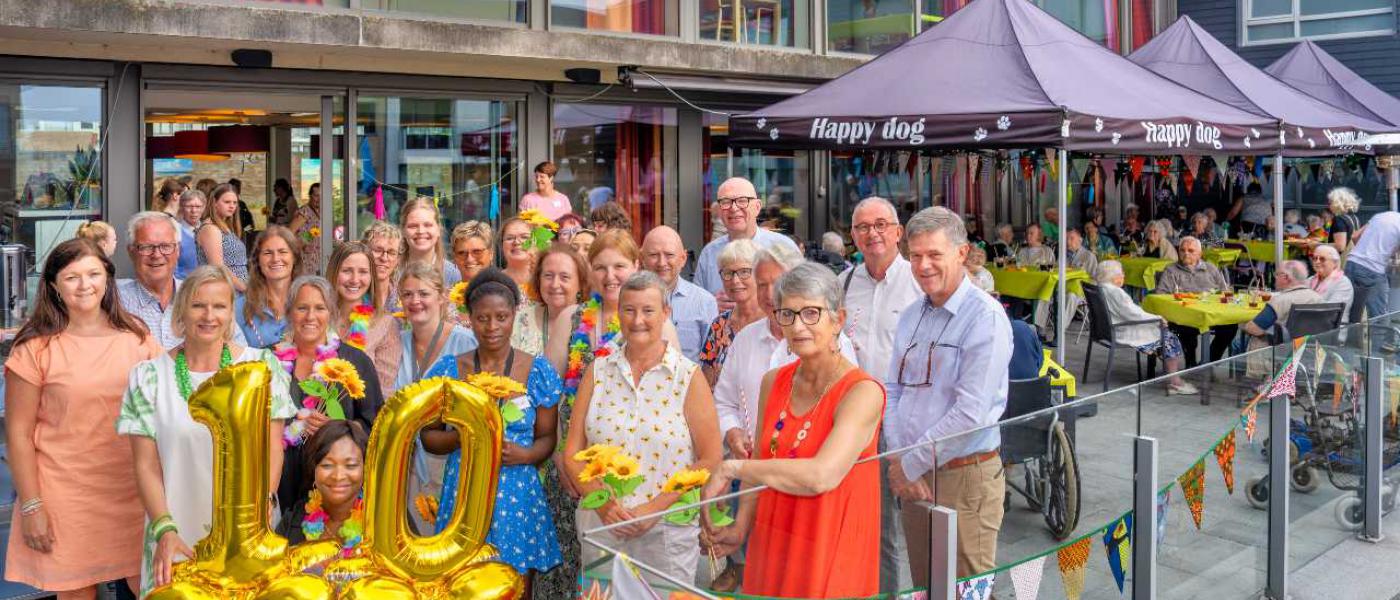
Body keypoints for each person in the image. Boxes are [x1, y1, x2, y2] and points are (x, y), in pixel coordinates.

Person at [700, 263, 884, 598]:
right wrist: (741, 528)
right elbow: (761, 460)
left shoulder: (862, 392)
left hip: (829, 544)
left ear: (838, 319)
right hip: (773, 539)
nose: (798, 326)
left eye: (811, 313)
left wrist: (731, 466)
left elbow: (821, 476)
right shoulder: (774, 381)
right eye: (787, 314)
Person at [117, 265, 294, 596]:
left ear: (231, 313)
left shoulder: (262, 368)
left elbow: (272, 449)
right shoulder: (148, 377)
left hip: (248, 531)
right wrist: (165, 529)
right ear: (182, 308)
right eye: (198, 305)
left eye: (219, 306)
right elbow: (145, 465)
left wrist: (262, 512)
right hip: (176, 528)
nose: (208, 315)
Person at [5, 239, 160, 598]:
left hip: (134, 491)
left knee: (156, 590)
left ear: (107, 276)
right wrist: (32, 506)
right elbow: (17, 434)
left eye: (93, 273)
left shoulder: (138, 337)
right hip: (66, 497)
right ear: (53, 285)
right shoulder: (35, 348)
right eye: (71, 276)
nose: (84, 284)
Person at [542, 229, 679, 596]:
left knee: (625, 571)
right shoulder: (571, 317)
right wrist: (559, 456)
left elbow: (672, 396)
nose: (610, 275)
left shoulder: (653, 320)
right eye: (600, 267)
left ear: (636, 265)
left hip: (629, 472)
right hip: (571, 465)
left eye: (619, 265)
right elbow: (551, 394)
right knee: (574, 564)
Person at [563, 271, 723, 583]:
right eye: (629, 310)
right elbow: (572, 452)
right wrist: (605, 505)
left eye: (648, 310)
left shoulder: (687, 377)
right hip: (602, 526)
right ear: (618, 312)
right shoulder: (598, 371)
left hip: (667, 529)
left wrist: (655, 507)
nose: (638, 320)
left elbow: (709, 457)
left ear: (666, 313)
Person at [885, 206, 1010, 580]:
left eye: (934, 254)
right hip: (914, 475)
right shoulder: (911, 314)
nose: (923, 265)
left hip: (964, 477)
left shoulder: (984, 317)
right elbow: (893, 390)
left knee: (965, 587)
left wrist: (907, 465)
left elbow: (970, 412)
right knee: (926, 584)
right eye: (916, 255)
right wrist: (899, 457)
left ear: (961, 253)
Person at [421, 268, 563, 591]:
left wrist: (526, 454)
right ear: (469, 318)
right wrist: (464, 437)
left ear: (514, 314)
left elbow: (548, 438)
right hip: (464, 493)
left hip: (517, 493)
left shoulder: (536, 370)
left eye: (501, 316)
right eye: (483, 318)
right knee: (461, 582)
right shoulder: (450, 370)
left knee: (515, 583)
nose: (492, 327)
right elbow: (428, 437)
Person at [713, 243, 858, 465]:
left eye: (779, 283)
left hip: (808, 472)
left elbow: (844, 408)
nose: (770, 294)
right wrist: (732, 431)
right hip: (752, 471)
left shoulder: (830, 341)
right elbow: (724, 401)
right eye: (762, 285)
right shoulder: (745, 339)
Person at [273, 275, 384, 511]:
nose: (310, 317)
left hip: (336, 491)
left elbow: (377, 426)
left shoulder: (355, 362)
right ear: (290, 312)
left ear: (331, 312)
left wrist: (340, 426)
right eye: (302, 308)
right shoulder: (269, 361)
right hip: (279, 485)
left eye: (319, 308)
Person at [391, 262, 477, 534]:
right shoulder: (395, 342)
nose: (415, 301)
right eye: (407, 294)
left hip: (447, 462)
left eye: (423, 293)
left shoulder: (467, 343)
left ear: (441, 297)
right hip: (401, 464)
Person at [1095, 261, 1198, 394]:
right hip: (1123, 330)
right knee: (1169, 337)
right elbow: (1133, 313)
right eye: (1122, 273)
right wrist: (1157, 318)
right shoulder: (1116, 292)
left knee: (1162, 332)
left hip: (1108, 330)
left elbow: (1131, 312)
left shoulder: (1100, 287)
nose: (1123, 276)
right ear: (1114, 277)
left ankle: (1169, 375)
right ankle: (1175, 383)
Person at [276, 420, 368, 561]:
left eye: (350, 465)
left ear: (365, 469)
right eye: (327, 465)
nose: (338, 476)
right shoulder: (292, 522)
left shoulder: (382, 526)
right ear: (314, 469)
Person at [694, 177, 802, 297]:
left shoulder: (784, 247)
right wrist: (713, 306)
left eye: (742, 201)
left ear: (757, 207)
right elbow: (699, 305)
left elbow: (802, 297)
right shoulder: (709, 253)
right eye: (726, 202)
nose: (734, 208)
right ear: (719, 211)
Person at [326, 241, 402, 392]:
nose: (355, 279)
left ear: (371, 277)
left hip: (361, 413)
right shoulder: (316, 317)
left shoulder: (384, 324)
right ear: (334, 272)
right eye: (347, 271)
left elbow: (383, 391)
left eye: (362, 272)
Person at [643, 225, 718, 361]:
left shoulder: (704, 302)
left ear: (683, 258)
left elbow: (711, 362)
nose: (661, 262)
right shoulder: (630, 300)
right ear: (642, 258)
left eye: (669, 255)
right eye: (654, 255)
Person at [1155, 237, 1234, 367]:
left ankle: (1210, 361)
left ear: (1200, 254)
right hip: (1185, 316)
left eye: (1191, 250)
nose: (1186, 253)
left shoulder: (1211, 268)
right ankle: (1191, 364)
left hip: (1211, 314)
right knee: (1186, 329)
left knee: (1230, 326)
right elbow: (1160, 295)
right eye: (1182, 250)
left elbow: (1224, 292)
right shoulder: (1171, 270)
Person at [1237, 260, 1323, 376]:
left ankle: (1254, 384)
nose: (1274, 278)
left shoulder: (1280, 301)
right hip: (1312, 355)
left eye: (1276, 274)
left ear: (1286, 277)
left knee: (1251, 340)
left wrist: (1243, 324)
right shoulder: (1318, 298)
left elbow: (1255, 329)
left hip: (1283, 356)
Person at [698, 239, 763, 387]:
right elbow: (706, 384)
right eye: (728, 273)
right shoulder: (719, 325)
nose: (735, 280)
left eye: (744, 272)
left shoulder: (774, 323)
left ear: (759, 274)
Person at [515, 243, 588, 359]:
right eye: (548, 276)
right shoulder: (519, 321)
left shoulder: (593, 324)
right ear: (539, 280)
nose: (555, 284)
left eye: (564, 277)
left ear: (580, 283)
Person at [234, 226, 300, 348]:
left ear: (294, 257)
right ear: (257, 260)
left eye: (282, 252)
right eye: (267, 253)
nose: (275, 259)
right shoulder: (239, 308)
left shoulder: (309, 302)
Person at [1343, 211, 1400, 327]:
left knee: (1351, 315)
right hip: (1373, 270)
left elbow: (1354, 236)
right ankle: (1380, 345)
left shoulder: (1381, 215)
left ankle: (1347, 344)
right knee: (1379, 317)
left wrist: (1369, 254)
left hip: (1351, 263)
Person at [196, 183, 249, 291]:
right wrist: (244, 288)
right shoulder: (210, 228)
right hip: (227, 290)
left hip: (238, 289)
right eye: (227, 202)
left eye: (235, 202)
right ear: (214, 202)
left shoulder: (225, 226)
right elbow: (218, 266)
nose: (232, 206)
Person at [401, 196, 462, 286]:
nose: (421, 231)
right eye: (413, 226)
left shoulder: (453, 275)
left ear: (438, 229)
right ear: (403, 230)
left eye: (427, 225)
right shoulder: (392, 272)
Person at [364, 221, 405, 314]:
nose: (384, 258)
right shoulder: (354, 295)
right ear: (364, 251)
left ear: (398, 259)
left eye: (391, 252)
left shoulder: (405, 296)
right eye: (378, 250)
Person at [1307, 245, 1354, 322]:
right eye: (1315, 258)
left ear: (1335, 263)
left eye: (1322, 259)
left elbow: (1332, 311)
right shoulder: (1310, 280)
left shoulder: (1342, 282)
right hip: (1310, 323)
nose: (1317, 261)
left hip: (1331, 328)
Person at [1316, 187, 1362, 257]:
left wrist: (1317, 245)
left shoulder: (1339, 219)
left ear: (1337, 203)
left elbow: (1340, 246)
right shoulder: (1354, 218)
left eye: (1330, 203)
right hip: (1351, 258)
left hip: (1341, 261)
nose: (1328, 206)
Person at [289, 183, 323, 272]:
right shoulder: (304, 212)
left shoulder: (320, 212)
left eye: (321, 196)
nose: (319, 199)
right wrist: (304, 243)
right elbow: (289, 232)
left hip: (317, 260)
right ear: (310, 196)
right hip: (305, 260)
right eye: (316, 196)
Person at [450, 220, 494, 287]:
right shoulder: (446, 296)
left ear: (491, 253)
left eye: (477, 252)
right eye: (462, 253)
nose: (469, 259)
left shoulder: (504, 293)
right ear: (454, 257)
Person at [499, 217, 535, 293]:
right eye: (510, 238)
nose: (517, 242)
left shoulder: (545, 281)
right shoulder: (493, 282)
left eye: (524, 237)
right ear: (502, 245)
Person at [175, 189, 204, 280]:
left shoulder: (210, 230)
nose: (194, 210)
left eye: (198, 206)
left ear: (204, 208)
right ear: (181, 207)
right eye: (189, 206)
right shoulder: (175, 231)